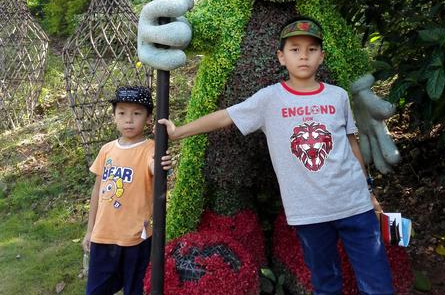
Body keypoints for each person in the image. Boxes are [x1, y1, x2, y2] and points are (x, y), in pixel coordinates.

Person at [159, 17, 394, 295]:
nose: (303, 55)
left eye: (311, 49)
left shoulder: (338, 96)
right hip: (309, 211)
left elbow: (351, 143)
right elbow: (225, 117)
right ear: (281, 57)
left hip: (354, 203)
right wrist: (179, 132)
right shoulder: (270, 99)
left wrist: (369, 190)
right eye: (295, 49)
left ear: (322, 56)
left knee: (376, 280)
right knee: (325, 282)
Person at [82, 85, 173, 295]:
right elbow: (97, 191)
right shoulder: (107, 150)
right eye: (122, 113)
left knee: (135, 290)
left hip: (136, 238)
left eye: (137, 113)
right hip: (103, 236)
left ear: (149, 118)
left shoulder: (151, 148)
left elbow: (154, 165)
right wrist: (90, 230)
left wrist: (161, 164)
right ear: (114, 116)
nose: (128, 119)